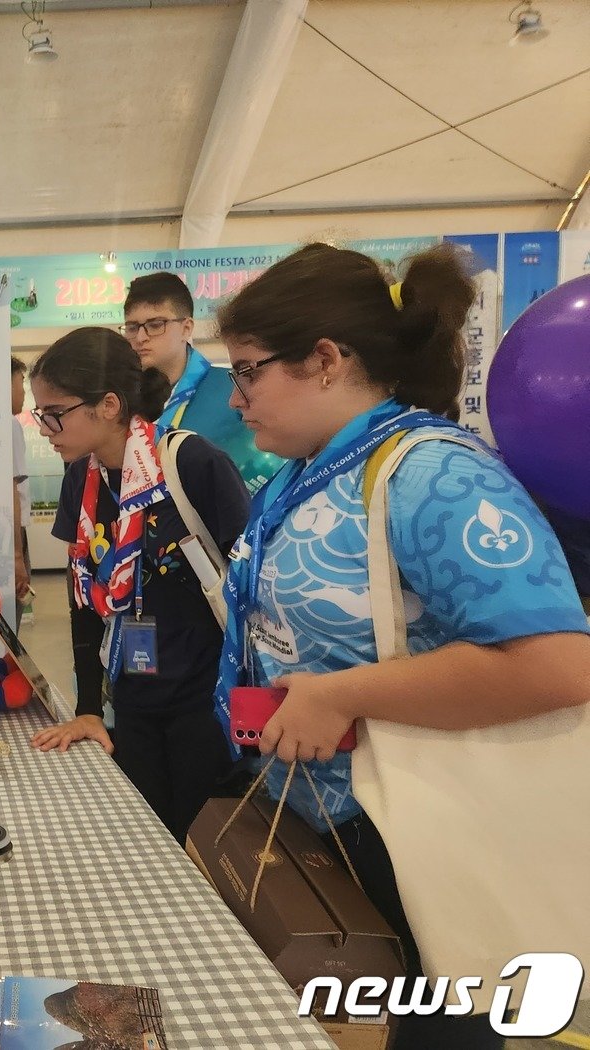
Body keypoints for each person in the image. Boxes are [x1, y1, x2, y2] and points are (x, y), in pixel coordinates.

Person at [213, 242, 590, 1050]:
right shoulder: (305, 472)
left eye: (248, 371)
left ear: (324, 360)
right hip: (329, 824)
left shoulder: (433, 476)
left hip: (421, 831)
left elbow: (560, 663)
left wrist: (344, 695)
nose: (235, 398)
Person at [28, 328, 250, 843]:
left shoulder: (189, 464)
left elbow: (250, 585)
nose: (45, 428)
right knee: (148, 837)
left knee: (204, 845)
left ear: (108, 405)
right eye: (41, 414)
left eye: (54, 412)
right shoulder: (79, 479)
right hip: (132, 695)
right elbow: (82, 597)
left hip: (205, 701)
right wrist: (88, 708)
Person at [122, 272, 281, 493]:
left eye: (155, 324)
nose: (140, 337)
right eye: (132, 327)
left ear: (186, 328)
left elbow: (273, 466)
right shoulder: (122, 403)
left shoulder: (234, 390)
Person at [10, 355, 32, 627]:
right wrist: (17, 555)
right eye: (20, 383)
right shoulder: (10, 424)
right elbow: (11, 487)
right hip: (13, 536)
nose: (22, 392)